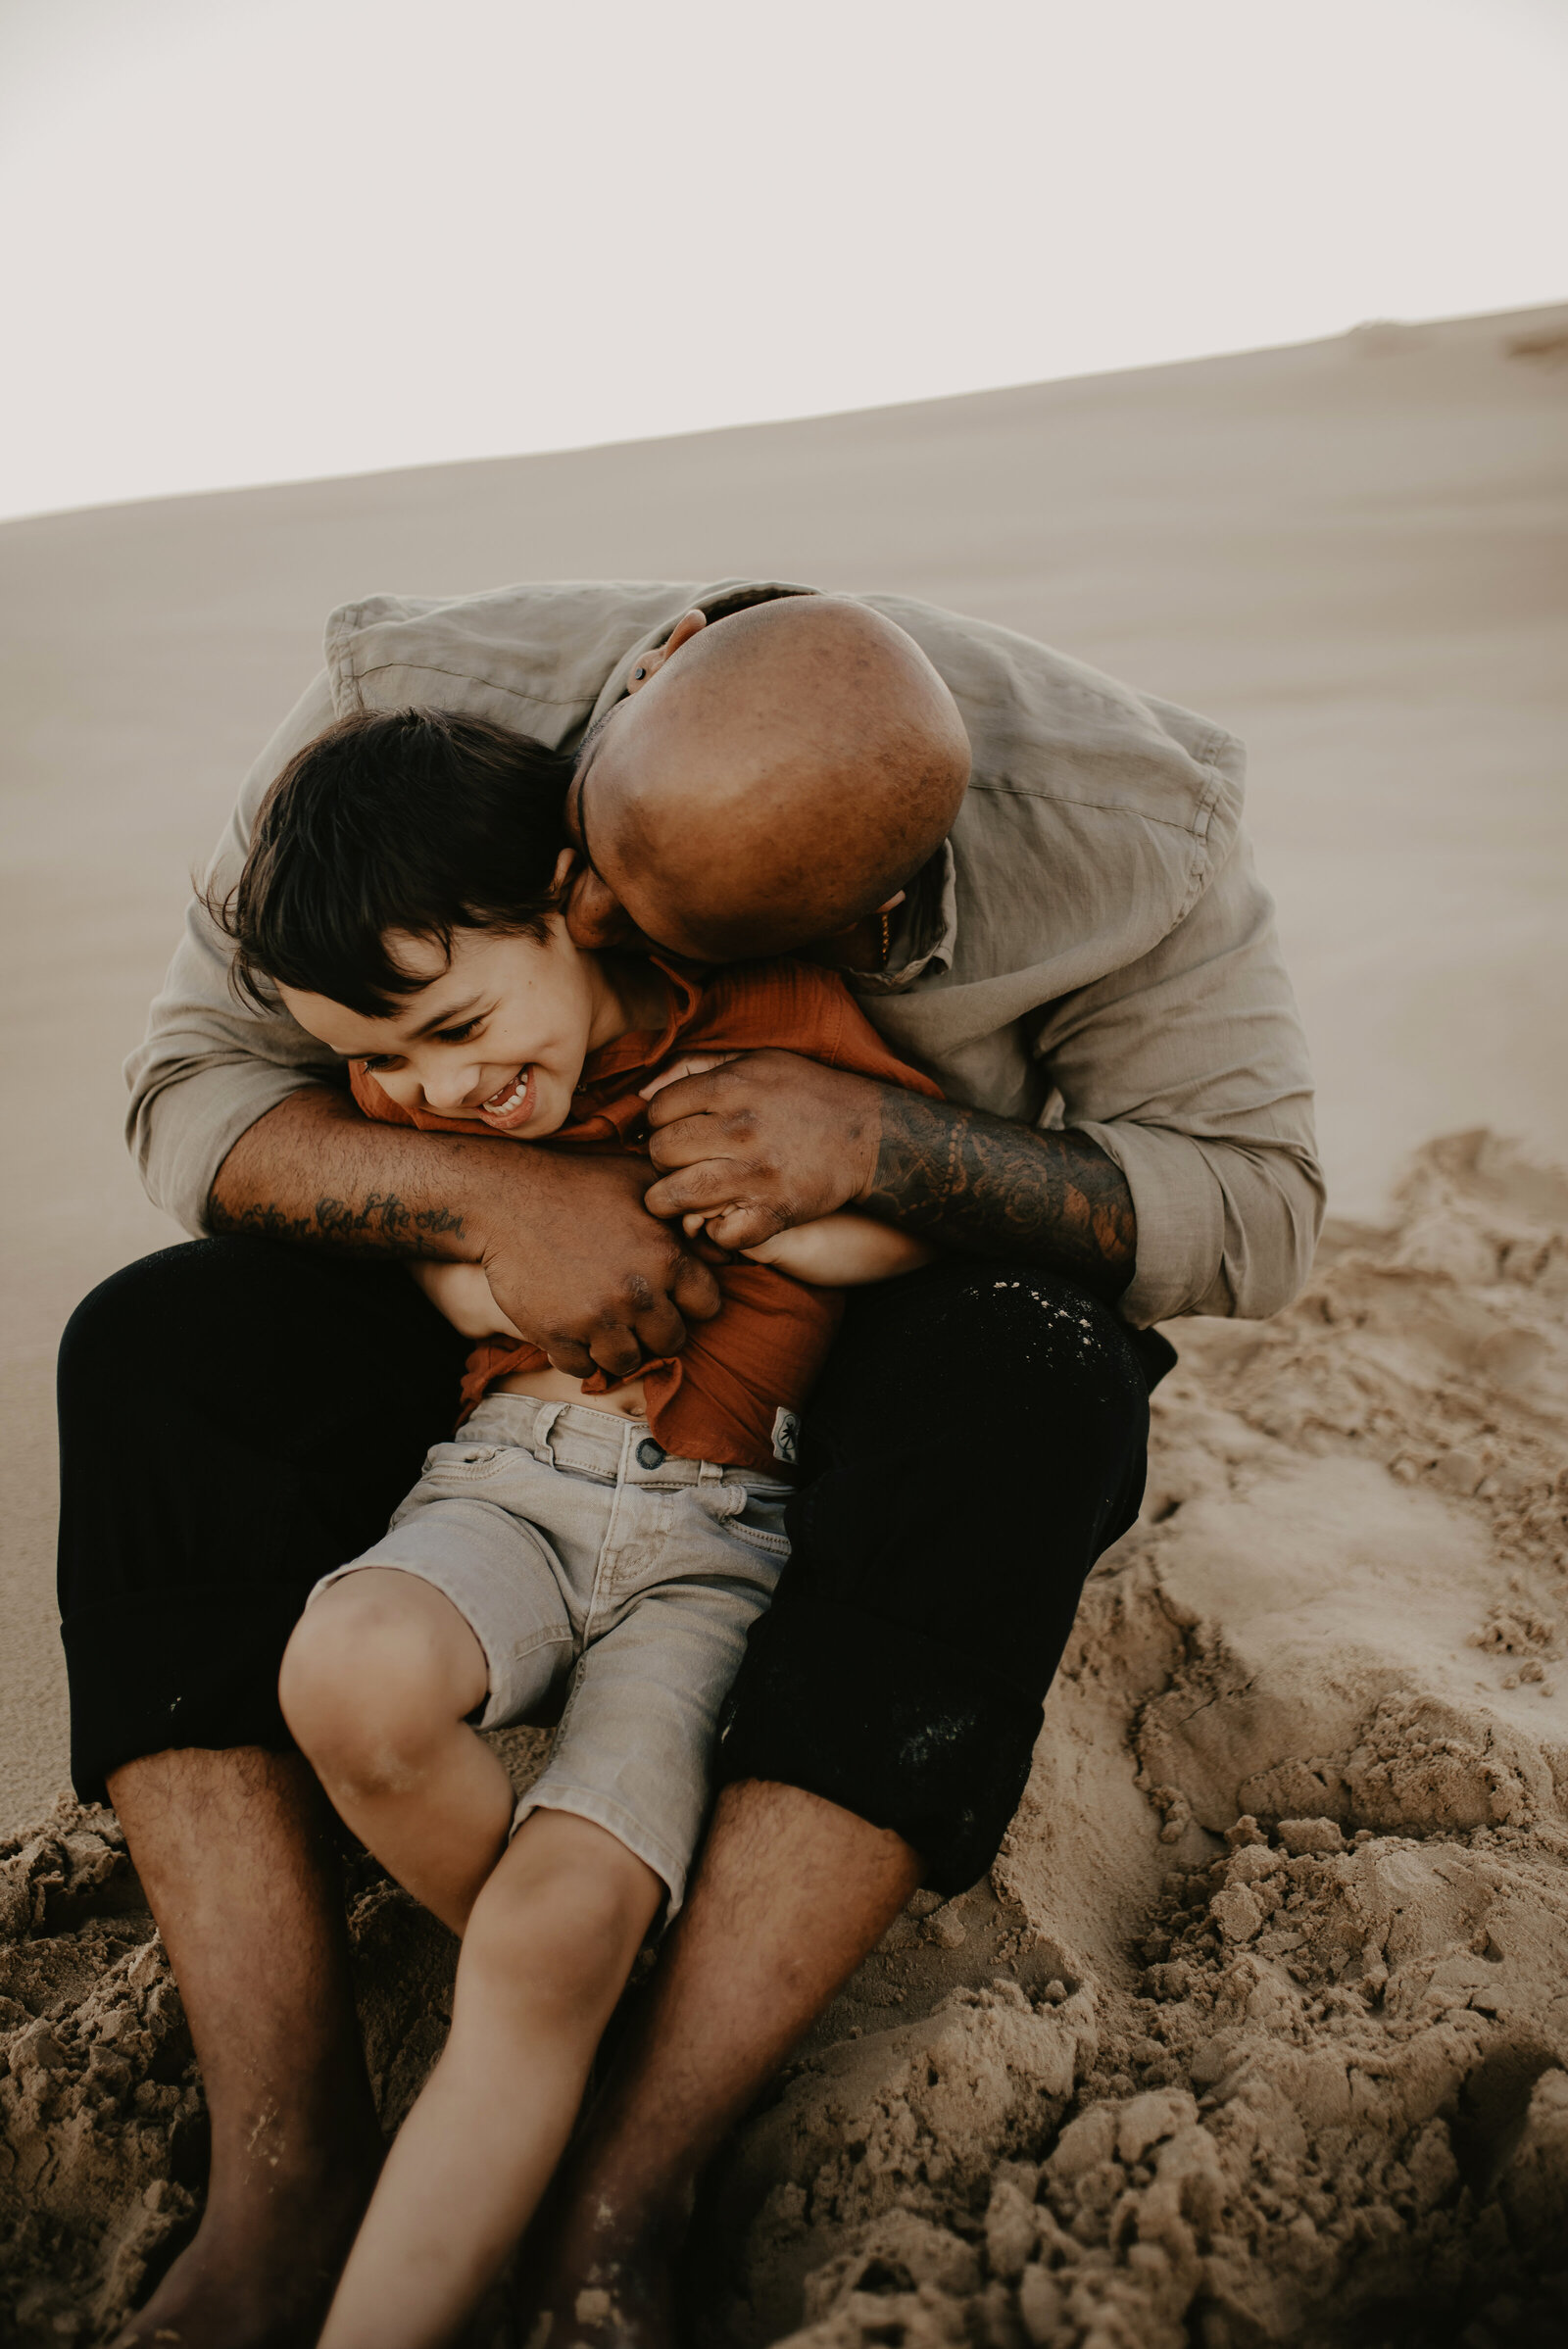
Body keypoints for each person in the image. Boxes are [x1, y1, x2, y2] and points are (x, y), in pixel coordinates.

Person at [59, 584, 1321, 2349]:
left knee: (1040, 1379)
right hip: (506, 1339)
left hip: (843, 1356)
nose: (593, 927)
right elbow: (193, 1086)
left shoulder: (1146, 833)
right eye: (583, 878)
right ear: (621, 715)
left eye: (654, 932)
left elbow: (1255, 1214)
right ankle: (286, 2167)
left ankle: (630, 2173)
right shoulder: (415, 709)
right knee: (154, 1342)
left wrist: (888, 1145)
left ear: (885, 918)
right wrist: (500, 1199)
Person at [211, 700, 940, 2346]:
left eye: (461, 1025)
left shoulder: (768, 1014)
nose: (437, 1091)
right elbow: (428, 1259)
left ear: (575, 903)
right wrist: (499, 1260)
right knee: (347, 1672)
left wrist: (779, 1228)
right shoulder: (425, 1107)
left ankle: (541, 2013)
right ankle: (565, 1995)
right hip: (508, 1478)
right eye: (384, 1062)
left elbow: (911, 1220)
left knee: (554, 1932)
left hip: (721, 1536)